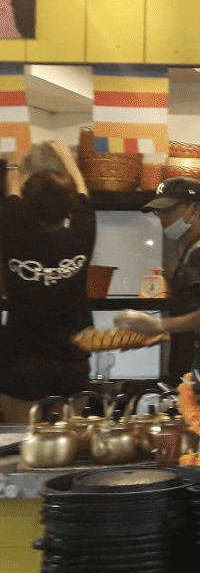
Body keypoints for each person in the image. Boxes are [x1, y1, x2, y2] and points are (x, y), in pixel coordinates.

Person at [0, 141, 95, 423]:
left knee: (21, 443)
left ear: (28, 207)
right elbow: (83, 194)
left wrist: (15, 159)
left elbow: (12, 194)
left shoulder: (14, 234)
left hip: (21, 363)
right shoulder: (81, 237)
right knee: (66, 442)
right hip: (72, 363)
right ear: (69, 208)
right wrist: (67, 156)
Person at [116, 177, 200, 385]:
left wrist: (158, 324)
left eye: (169, 210)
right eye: (158, 212)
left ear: (194, 209)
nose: (162, 218)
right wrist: (166, 333)